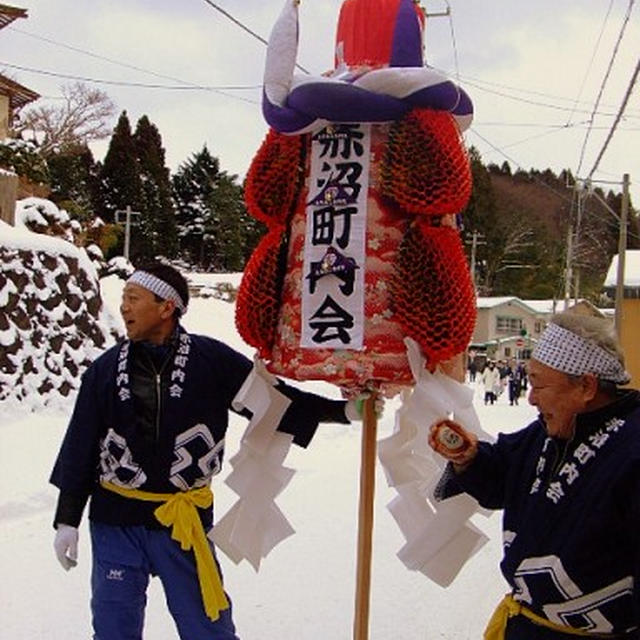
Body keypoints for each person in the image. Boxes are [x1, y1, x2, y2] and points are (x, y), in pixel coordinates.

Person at [50, 261, 376, 640]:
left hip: (183, 522)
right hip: (116, 520)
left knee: (207, 626)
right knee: (113, 627)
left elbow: (273, 402)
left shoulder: (212, 362)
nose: (123, 307)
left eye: (133, 298)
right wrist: (66, 519)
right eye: (123, 298)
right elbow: (81, 443)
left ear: (166, 307)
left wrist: (343, 411)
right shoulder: (104, 371)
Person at [428, 311, 640, 639]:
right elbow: (504, 472)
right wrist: (470, 457)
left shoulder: (631, 448)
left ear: (586, 386)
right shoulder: (550, 432)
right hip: (528, 626)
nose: (530, 397)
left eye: (539, 384)